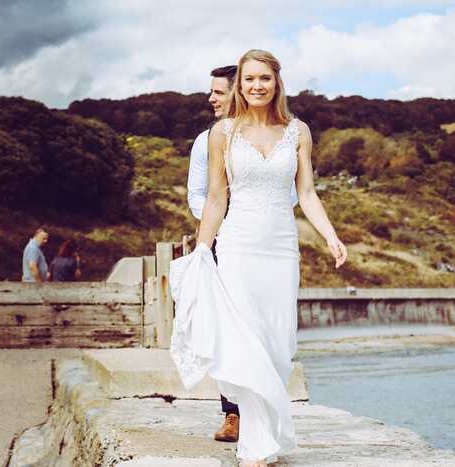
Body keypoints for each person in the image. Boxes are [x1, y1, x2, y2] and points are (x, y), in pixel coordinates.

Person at [169, 49, 347, 466]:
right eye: (249, 79)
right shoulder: (222, 134)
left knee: (277, 343)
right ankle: (256, 446)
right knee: (245, 339)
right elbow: (215, 197)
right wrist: (202, 248)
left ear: (276, 82)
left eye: (264, 78)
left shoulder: (298, 131)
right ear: (241, 85)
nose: (256, 86)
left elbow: (306, 193)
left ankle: (266, 429)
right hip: (238, 245)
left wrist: (331, 235)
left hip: (281, 247)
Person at [186, 64, 243, 443]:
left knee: (261, 327)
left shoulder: (275, 136)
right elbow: (197, 195)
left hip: (261, 243)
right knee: (226, 331)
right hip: (222, 242)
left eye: (219, 92)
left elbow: (289, 194)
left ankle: (262, 407)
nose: (211, 98)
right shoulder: (204, 139)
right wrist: (221, 223)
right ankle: (232, 414)